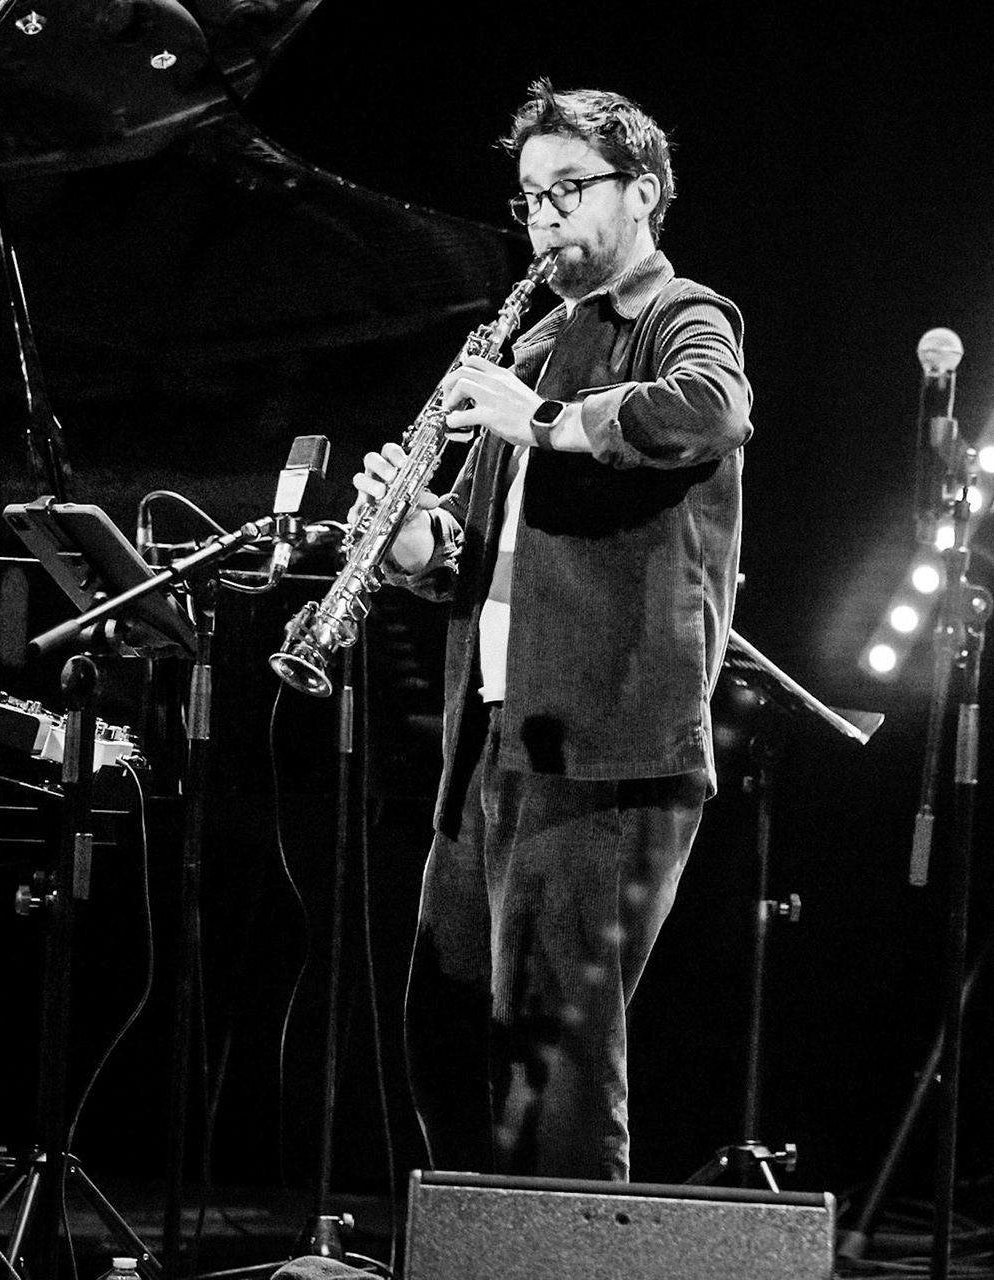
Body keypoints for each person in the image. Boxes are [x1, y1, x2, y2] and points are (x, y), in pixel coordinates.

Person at [352, 79, 753, 1180]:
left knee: (555, 1070)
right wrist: (416, 543)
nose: (545, 218)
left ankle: (567, 1250)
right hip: (492, 738)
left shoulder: (681, 313)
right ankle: (470, 1249)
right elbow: (476, 547)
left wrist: (543, 420)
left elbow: (712, 408)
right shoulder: (531, 343)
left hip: (605, 747)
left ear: (644, 191)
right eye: (531, 198)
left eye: (570, 189)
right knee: (445, 1035)